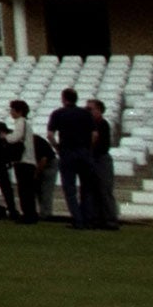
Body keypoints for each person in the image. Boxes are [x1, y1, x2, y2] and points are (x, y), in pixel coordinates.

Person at [47, 87, 99, 229]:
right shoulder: (85, 113)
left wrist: (57, 148)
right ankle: (87, 218)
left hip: (67, 152)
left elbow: (50, 135)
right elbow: (95, 135)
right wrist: (88, 149)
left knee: (70, 189)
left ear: (63, 99)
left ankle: (78, 219)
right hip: (83, 152)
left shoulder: (58, 113)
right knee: (86, 188)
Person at [86, 98, 122, 232]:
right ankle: (98, 218)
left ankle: (110, 219)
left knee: (104, 189)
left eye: (90, 109)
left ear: (99, 110)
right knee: (94, 190)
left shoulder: (102, 124)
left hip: (100, 159)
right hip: (94, 158)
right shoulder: (92, 124)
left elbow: (101, 146)